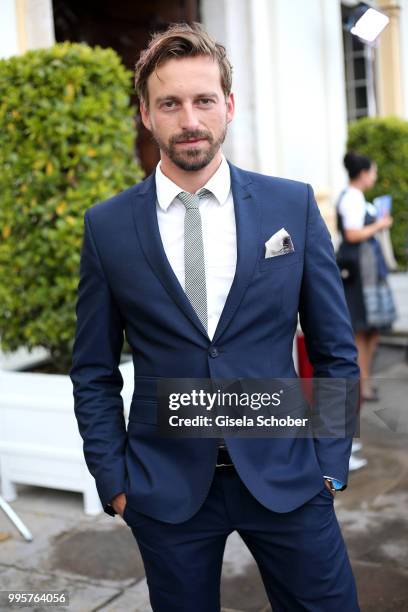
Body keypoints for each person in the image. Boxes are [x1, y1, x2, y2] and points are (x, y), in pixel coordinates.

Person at [70, 23, 361, 611]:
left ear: (228, 106)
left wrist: (329, 463)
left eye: (204, 100)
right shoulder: (107, 227)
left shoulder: (291, 204)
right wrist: (116, 482)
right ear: (146, 115)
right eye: (170, 103)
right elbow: (93, 370)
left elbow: (334, 347)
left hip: (287, 473)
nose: (190, 119)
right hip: (165, 490)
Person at [336, 152, 396, 469]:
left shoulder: (359, 197)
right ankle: (360, 385)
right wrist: (381, 225)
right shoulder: (351, 199)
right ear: (364, 172)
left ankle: (366, 381)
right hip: (359, 275)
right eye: (372, 170)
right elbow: (352, 235)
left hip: (370, 273)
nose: (374, 174)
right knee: (359, 330)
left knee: (371, 331)